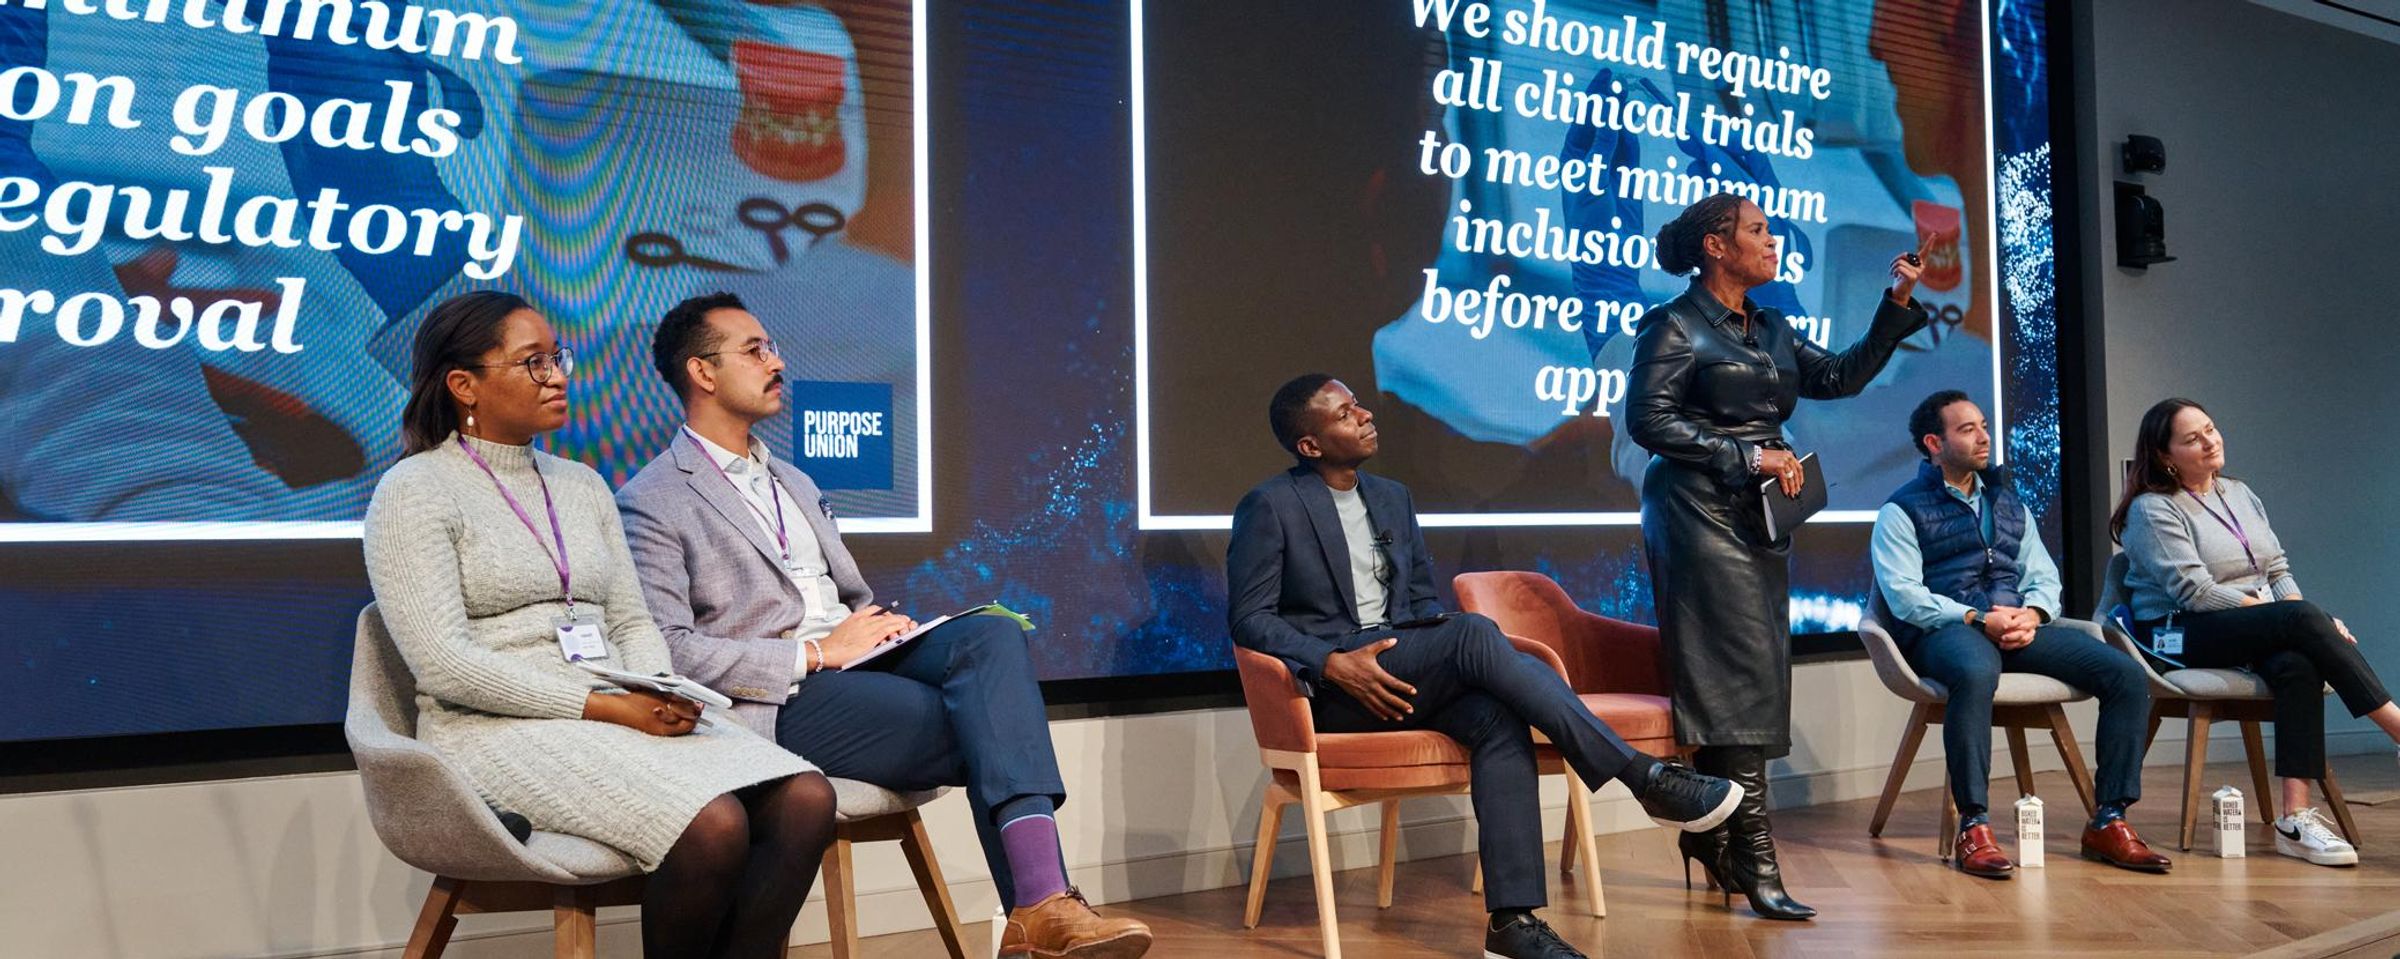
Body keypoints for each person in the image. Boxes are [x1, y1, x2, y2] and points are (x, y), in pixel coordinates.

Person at [617, 293, 1153, 959]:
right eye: (755, 349)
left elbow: (842, 597)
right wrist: (815, 652)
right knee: (993, 721)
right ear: (701, 372)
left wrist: (879, 632)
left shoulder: (793, 480)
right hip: (781, 696)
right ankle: (1041, 907)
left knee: (992, 633)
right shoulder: (652, 498)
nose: (776, 361)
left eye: (773, 346)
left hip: (858, 661)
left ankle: (1040, 903)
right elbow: (668, 651)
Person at [362, 290, 836, 959]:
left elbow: (630, 617)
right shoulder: (413, 491)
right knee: (713, 823)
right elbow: (444, 661)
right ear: (464, 383)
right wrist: (602, 705)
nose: (557, 376)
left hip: (614, 710)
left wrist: (660, 689)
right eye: (533, 363)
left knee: (806, 798)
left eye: (558, 358)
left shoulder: (581, 484)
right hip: (491, 730)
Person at [1227, 373, 1741, 959]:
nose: (1366, 414)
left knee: (1497, 716)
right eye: (1345, 413)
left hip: (1404, 667)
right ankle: (1641, 777)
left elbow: (1419, 602)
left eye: (1359, 405)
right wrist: (1333, 663)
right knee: (1475, 631)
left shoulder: (1391, 496)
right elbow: (1249, 618)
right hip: (1337, 694)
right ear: (1310, 445)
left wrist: (1432, 643)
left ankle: (1511, 923)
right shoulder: (1270, 505)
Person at [1628, 192, 1928, 920]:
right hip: (1697, 511)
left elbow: (1839, 378)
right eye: (1758, 231)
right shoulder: (1673, 325)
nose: (1773, 240)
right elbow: (1648, 419)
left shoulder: (1771, 326)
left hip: (1758, 516)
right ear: (1715, 248)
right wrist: (1746, 454)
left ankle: (1716, 839)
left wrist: (1896, 302)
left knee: (1755, 674)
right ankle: (1756, 861)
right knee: (1739, 682)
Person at [1871, 390, 2168, 878]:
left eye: (1984, 425)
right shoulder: (1900, 510)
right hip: (1946, 630)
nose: (1984, 435)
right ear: (1933, 442)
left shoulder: (2008, 503)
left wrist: (2033, 613)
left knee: (2125, 674)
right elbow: (1903, 596)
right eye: (1967, 428)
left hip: (2015, 627)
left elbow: (2042, 575)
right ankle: (1974, 825)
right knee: (1973, 671)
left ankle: (2109, 820)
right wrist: (1975, 618)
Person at [2113, 397, 2400, 867]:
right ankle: (2397, 729)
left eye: (2210, 428)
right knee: (2303, 619)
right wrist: (2302, 619)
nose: (2210, 441)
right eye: (2192, 438)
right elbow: (2195, 593)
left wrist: (2300, 621)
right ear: (2166, 456)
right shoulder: (2153, 509)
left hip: (2244, 624)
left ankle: (2295, 819)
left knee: (2299, 661)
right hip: (2177, 632)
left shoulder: (2239, 493)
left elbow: (2277, 568)